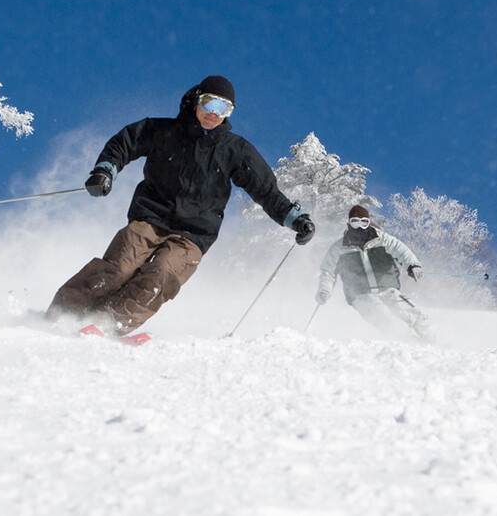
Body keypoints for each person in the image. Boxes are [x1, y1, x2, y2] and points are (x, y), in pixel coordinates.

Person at [47, 75, 316, 336]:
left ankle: (108, 323)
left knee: (161, 274)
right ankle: (63, 312)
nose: (214, 113)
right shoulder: (163, 131)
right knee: (120, 267)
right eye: (209, 103)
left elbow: (265, 189)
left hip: (194, 233)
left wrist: (294, 218)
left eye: (223, 108)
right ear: (197, 100)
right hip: (150, 217)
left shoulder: (235, 150)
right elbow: (125, 142)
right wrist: (105, 170)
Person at [315, 205, 432, 340]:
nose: (359, 227)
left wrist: (413, 265)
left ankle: (429, 334)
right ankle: (403, 339)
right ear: (349, 223)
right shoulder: (339, 248)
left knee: (404, 307)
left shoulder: (381, 239)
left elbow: (400, 249)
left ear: (369, 223)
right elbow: (328, 271)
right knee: (379, 314)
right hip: (360, 294)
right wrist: (324, 290)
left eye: (364, 222)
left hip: (387, 288)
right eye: (355, 222)